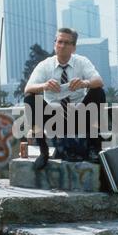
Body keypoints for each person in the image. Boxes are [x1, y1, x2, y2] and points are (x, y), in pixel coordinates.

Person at [24, 28, 106, 169]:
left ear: (73, 47)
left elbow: (99, 81)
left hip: (80, 116)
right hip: (54, 119)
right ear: (55, 44)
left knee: (98, 91)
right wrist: (44, 85)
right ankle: (43, 151)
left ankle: (94, 148)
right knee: (30, 99)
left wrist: (84, 83)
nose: (62, 46)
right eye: (59, 41)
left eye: (67, 43)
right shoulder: (45, 65)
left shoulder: (82, 62)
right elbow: (27, 89)